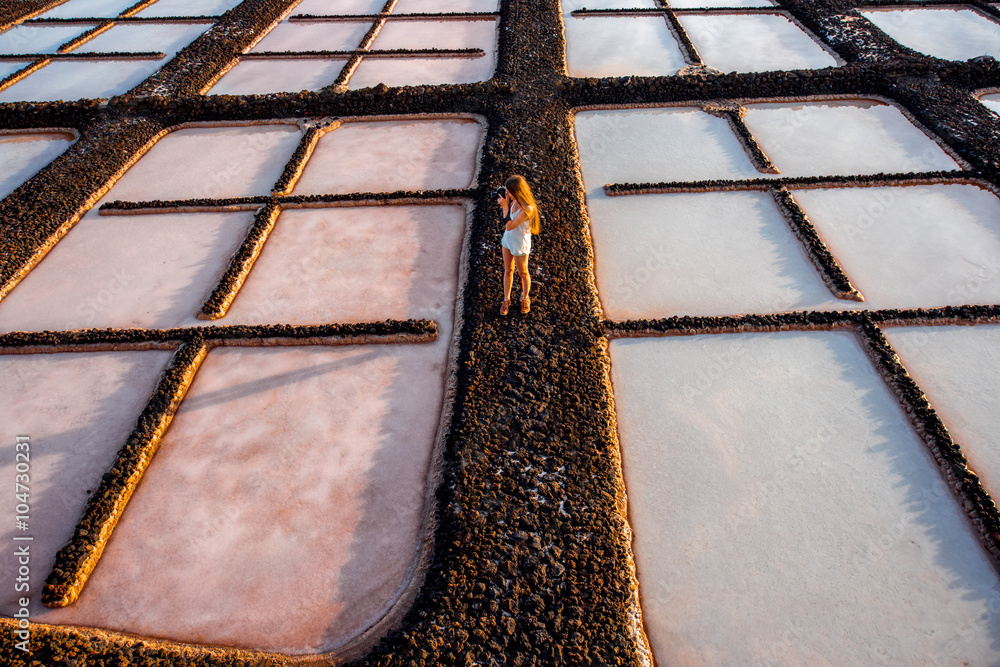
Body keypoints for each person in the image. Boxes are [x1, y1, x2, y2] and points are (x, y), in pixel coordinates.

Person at [497, 174, 541, 315]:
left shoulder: (528, 209)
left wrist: (504, 207)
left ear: (517, 191)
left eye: (509, 191)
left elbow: (509, 225)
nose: (507, 194)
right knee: (508, 270)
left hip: (520, 243)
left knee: (523, 273)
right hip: (508, 240)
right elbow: (508, 228)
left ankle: (525, 298)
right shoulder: (514, 201)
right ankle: (506, 299)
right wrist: (506, 202)